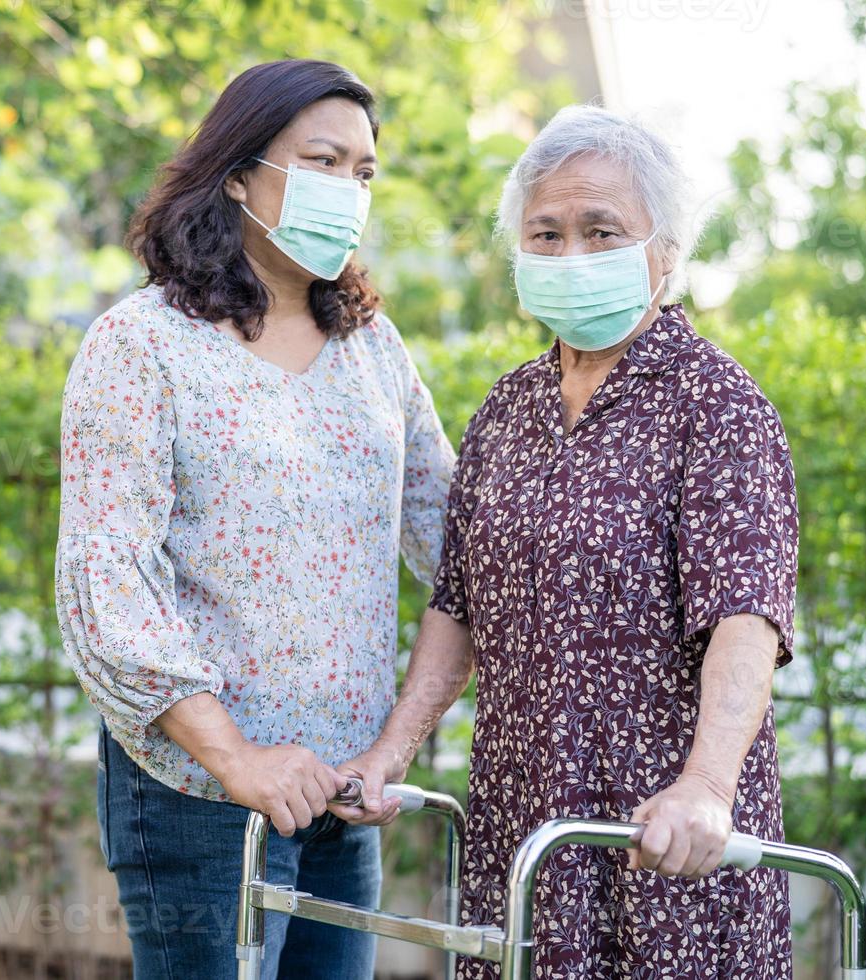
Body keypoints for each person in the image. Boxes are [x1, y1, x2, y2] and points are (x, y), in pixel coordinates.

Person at [337, 105, 799, 977]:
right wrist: (390, 754)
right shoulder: (507, 410)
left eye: (602, 231)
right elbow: (458, 604)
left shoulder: (717, 406)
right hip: (522, 824)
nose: (570, 256)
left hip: (659, 832)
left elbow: (747, 616)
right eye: (545, 234)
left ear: (665, 249)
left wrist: (706, 788)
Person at [54, 59, 455, 979]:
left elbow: (456, 544)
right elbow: (107, 578)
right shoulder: (142, 345)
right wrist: (234, 756)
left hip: (345, 798)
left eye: (363, 174)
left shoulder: (372, 350)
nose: (348, 193)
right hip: (199, 797)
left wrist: (390, 751)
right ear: (238, 173)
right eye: (321, 162)